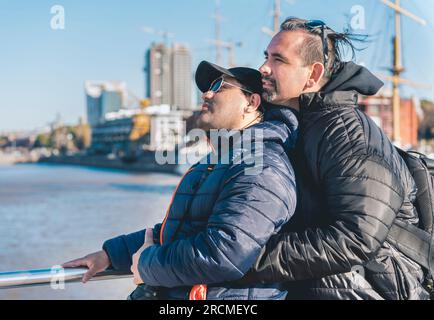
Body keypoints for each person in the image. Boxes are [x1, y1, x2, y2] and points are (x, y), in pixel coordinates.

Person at [63, 61, 299, 300]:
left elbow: (223, 254)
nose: (206, 93)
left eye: (219, 86)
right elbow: (180, 230)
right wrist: (111, 255)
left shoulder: (260, 166)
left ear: (251, 103)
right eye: (207, 87)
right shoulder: (222, 159)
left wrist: (147, 265)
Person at [240, 17, 429, 300]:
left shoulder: (345, 133)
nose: (263, 68)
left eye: (278, 60)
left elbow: (356, 237)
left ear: (313, 75)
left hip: (376, 288)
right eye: (266, 57)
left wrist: (246, 259)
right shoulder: (305, 125)